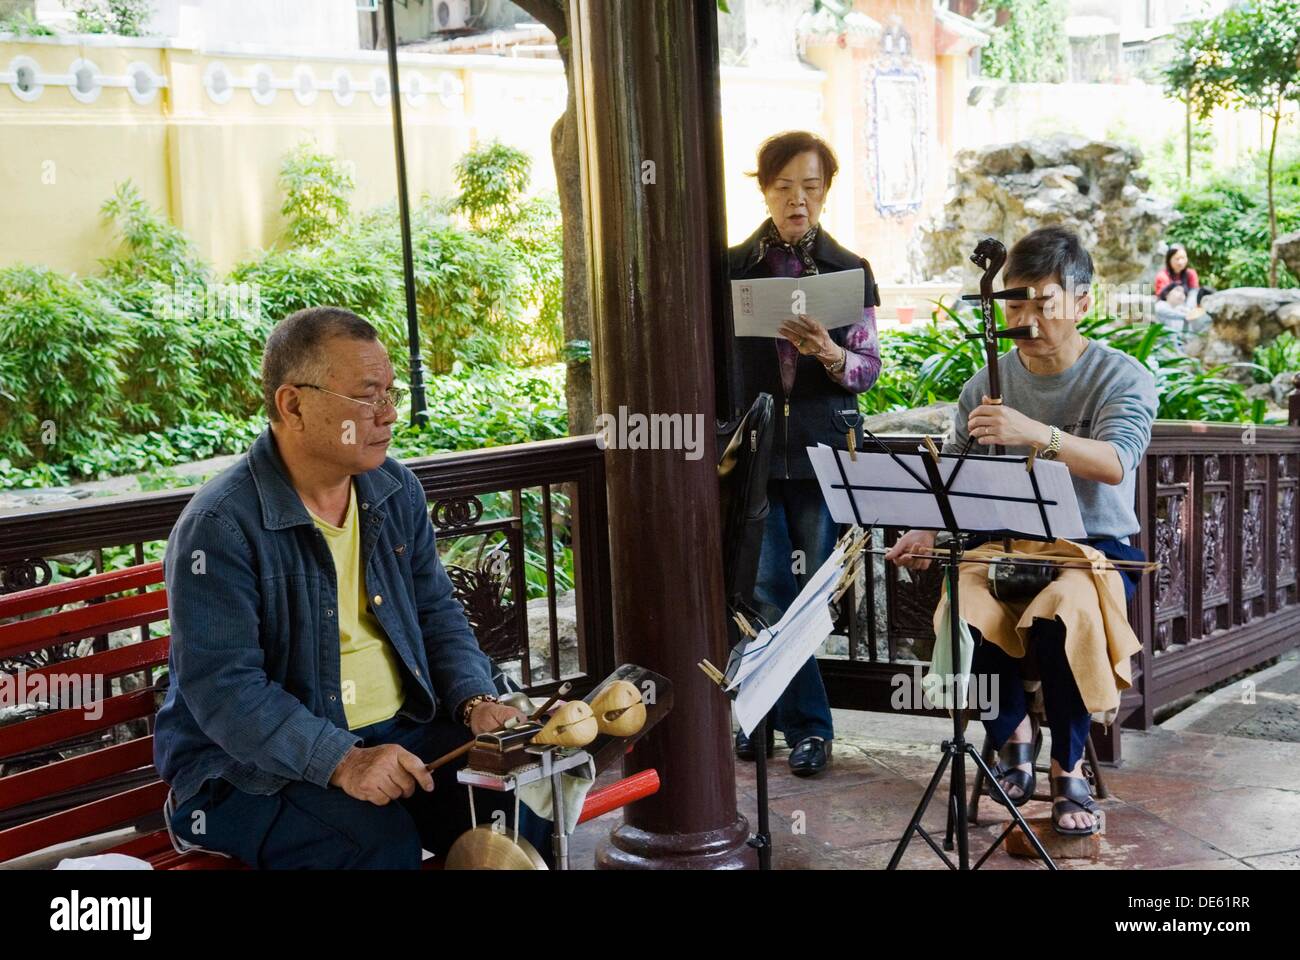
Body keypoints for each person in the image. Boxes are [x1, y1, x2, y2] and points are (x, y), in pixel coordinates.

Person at [154, 306, 550, 868]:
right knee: (375, 844)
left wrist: (473, 699)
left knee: (516, 803)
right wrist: (342, 760)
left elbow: (436, 610)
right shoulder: (220, 526)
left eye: (391, 393)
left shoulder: (391, 489)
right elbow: (225, 689)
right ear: (293, 404)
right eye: (368, 397)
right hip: (246, 768)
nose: (390, 415)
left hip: (398, 730)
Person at [885, 227, 1157, 834]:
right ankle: (1014, 736)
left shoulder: (1120, 376)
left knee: (1067, 609)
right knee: (963, 605)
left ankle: (1068, 769)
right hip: (1004, 549)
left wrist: (1033, 433)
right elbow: (952, 469)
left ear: (1082, 302)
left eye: (1044, 302)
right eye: (1015, 304)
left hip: (1092, 550)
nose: (1027, 318)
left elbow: (1116, 462)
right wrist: (927, 528)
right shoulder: (986, 381)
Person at [727, 131, 882, 776]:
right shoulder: (733, 267)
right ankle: (789, 723)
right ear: (764, 189)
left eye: (811, 188)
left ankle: (791, 723)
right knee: (765, 591)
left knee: (809, 595)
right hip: (758, 455)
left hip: (823, 452)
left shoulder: (851, 269)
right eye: (785, 186)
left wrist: (828, 351)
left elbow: (868, 370)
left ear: (825, 193)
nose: (798, 200)